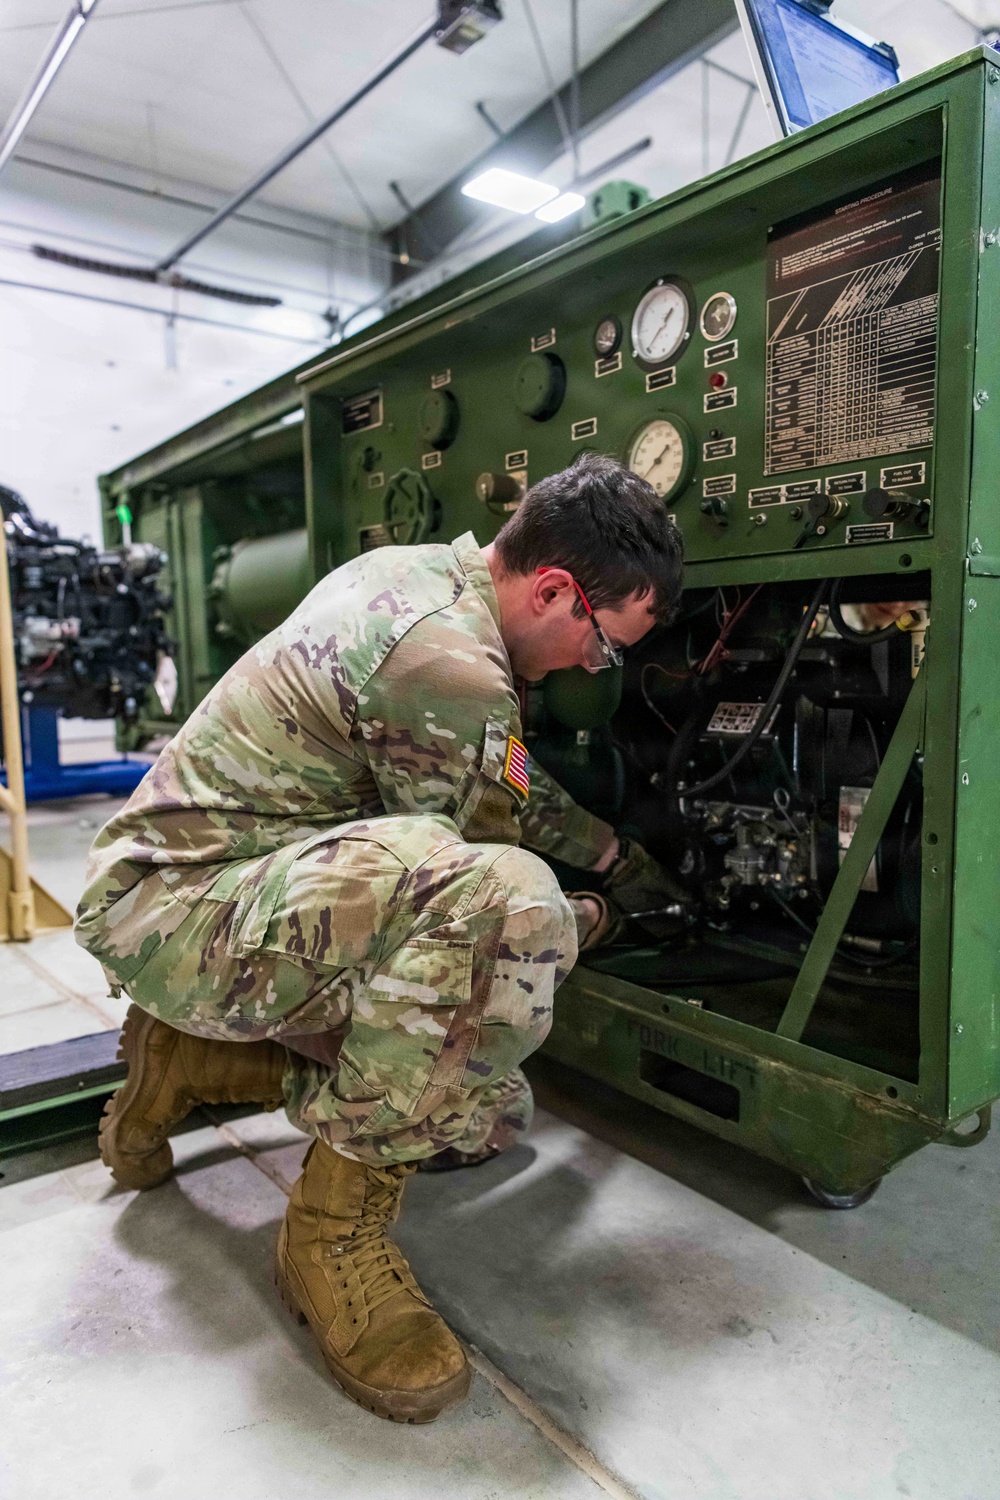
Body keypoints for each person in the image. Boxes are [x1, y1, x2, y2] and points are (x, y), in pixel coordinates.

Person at [75, 453, 684, 1424]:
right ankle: (331, 1237)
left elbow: (508, 782)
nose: (588, 667)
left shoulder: (424, 582)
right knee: (512, 927)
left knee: (488, 1117)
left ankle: (192, 1062)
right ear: (557, 589)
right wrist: (602, 916)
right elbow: (489, 915)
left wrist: (613, 853)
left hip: (212, 890)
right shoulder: (445, 660)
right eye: (603, 645)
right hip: (177, 913)